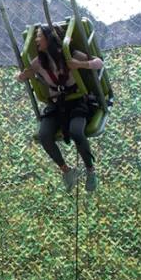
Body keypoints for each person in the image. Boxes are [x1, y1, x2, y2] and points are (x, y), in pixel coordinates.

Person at [17, 24, 104, 193]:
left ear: (50, 38)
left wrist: (80, 64)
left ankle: (90, 170)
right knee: (44, 135)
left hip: (76, 101)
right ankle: (66, 170)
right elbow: (21, 76)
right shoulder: (39, 62)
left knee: (76, 132)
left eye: (39, 36)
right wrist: (22, 76)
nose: (36, 40)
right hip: (57, 105)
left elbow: (98, 62)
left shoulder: (70, 55)